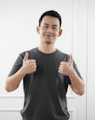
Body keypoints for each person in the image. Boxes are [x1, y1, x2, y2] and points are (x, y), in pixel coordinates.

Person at [5, 10, 85, 120]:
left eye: (54, 27)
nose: (49, 30)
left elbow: (80, 91)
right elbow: (8, 87)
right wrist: (23, 70)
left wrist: (71, 73)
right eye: (45, 26)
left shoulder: (67, 60)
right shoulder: (25, 57)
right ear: (38, 29)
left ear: (60, 32)